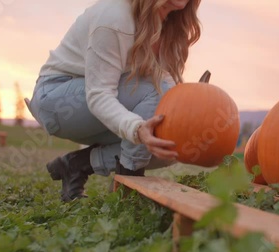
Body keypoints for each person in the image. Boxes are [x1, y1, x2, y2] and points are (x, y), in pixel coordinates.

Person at [27, 0, 201, 202]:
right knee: (157, 90)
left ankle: (77, 165)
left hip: (101, 105)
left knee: (168, 145)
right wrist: (136, 129)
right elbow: (99, 94)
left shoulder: (172, 24)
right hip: (58, 100)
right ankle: (127, 187)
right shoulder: (115, 16)